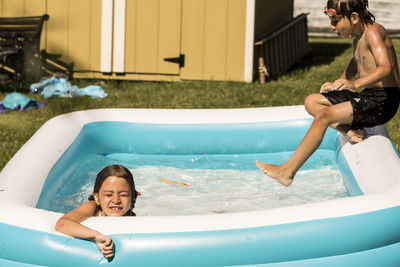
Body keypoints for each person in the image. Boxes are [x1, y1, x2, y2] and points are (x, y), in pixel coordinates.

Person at [256, 0, 400, 187]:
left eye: (335, 21)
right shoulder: (358, 36)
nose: (332, 27)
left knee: (324, 116)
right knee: (311, 102)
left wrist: (354, 83)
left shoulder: (373, 32)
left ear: (354, 18)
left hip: (383, 101)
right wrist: (338, 82)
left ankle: (287, 172)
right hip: (368, 96)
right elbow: (356, 61)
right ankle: (351, 129)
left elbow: (386, 68)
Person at [55, 164, 139, 258]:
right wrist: (94, 236)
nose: (116, 200)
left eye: (123, 195)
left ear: (133, 197)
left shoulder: (132, 220)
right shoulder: (93, 207)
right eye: (108, 194)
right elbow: (62, 223)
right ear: (97, 197)